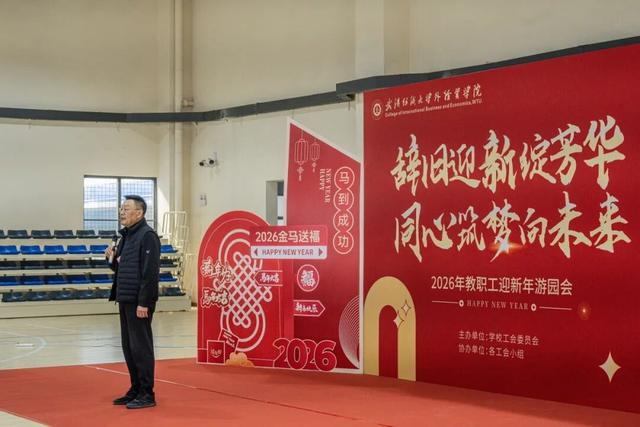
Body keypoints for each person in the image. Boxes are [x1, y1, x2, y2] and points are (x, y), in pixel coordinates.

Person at [106, 195, 161, 409]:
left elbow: (149, 272)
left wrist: (144, 303)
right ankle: (135, 389)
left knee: (141, 348)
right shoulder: (126, 236)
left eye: (126, 208)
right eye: (121, 208)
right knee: (129, 347)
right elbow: (122, 268)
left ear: (139, 213)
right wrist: (110, 258)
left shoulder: (147, 236)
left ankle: (147, 393)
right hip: (125, 297)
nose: (122, 212)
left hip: (139, 301)